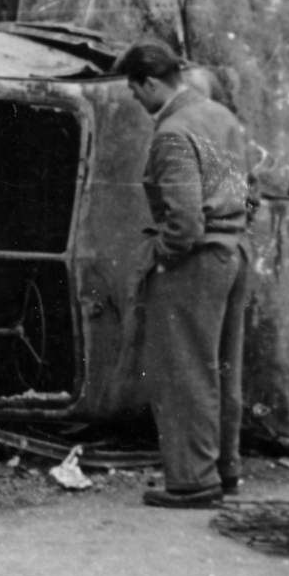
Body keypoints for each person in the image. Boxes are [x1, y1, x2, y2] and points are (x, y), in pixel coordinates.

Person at [111, 40, 252, 509]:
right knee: (221, 371)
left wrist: (164, 257)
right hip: (233, 251)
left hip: (195, 260)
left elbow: (185, 222)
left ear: (151, 82)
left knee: (184, 372)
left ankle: (193, 480)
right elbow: (248, 194)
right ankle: (224, 469)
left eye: (135, 90)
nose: (136, 99)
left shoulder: (172, 131)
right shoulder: (221, 116)